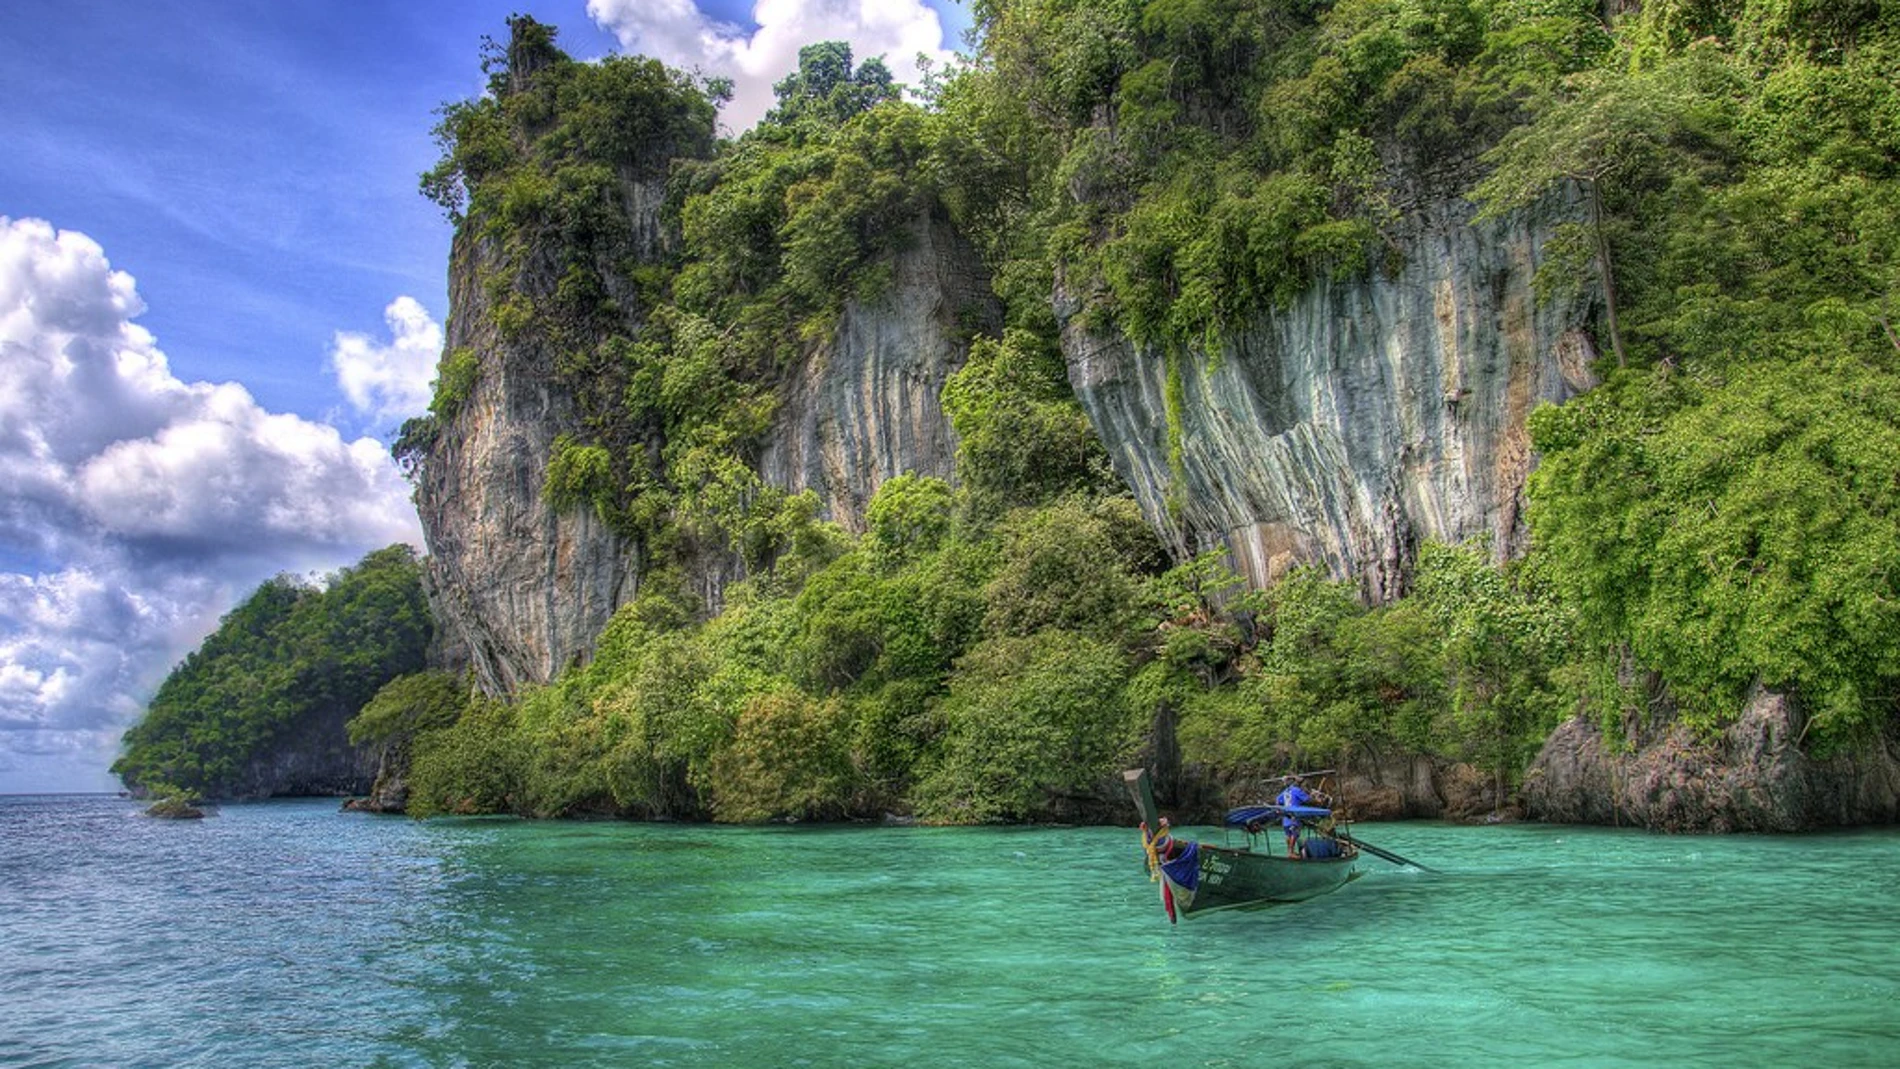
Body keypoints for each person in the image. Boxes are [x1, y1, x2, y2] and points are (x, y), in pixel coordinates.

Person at [1276, 780, 1310, 857]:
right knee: (1295, 833)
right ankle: (1291, 852)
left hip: (1286, 817)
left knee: (1288, 834)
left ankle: (1289, 852)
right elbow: (1307, 799)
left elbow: (1278, 799)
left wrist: (1279, 809)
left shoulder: (1285, 791)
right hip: (1294, 816)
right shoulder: (1296, 790)